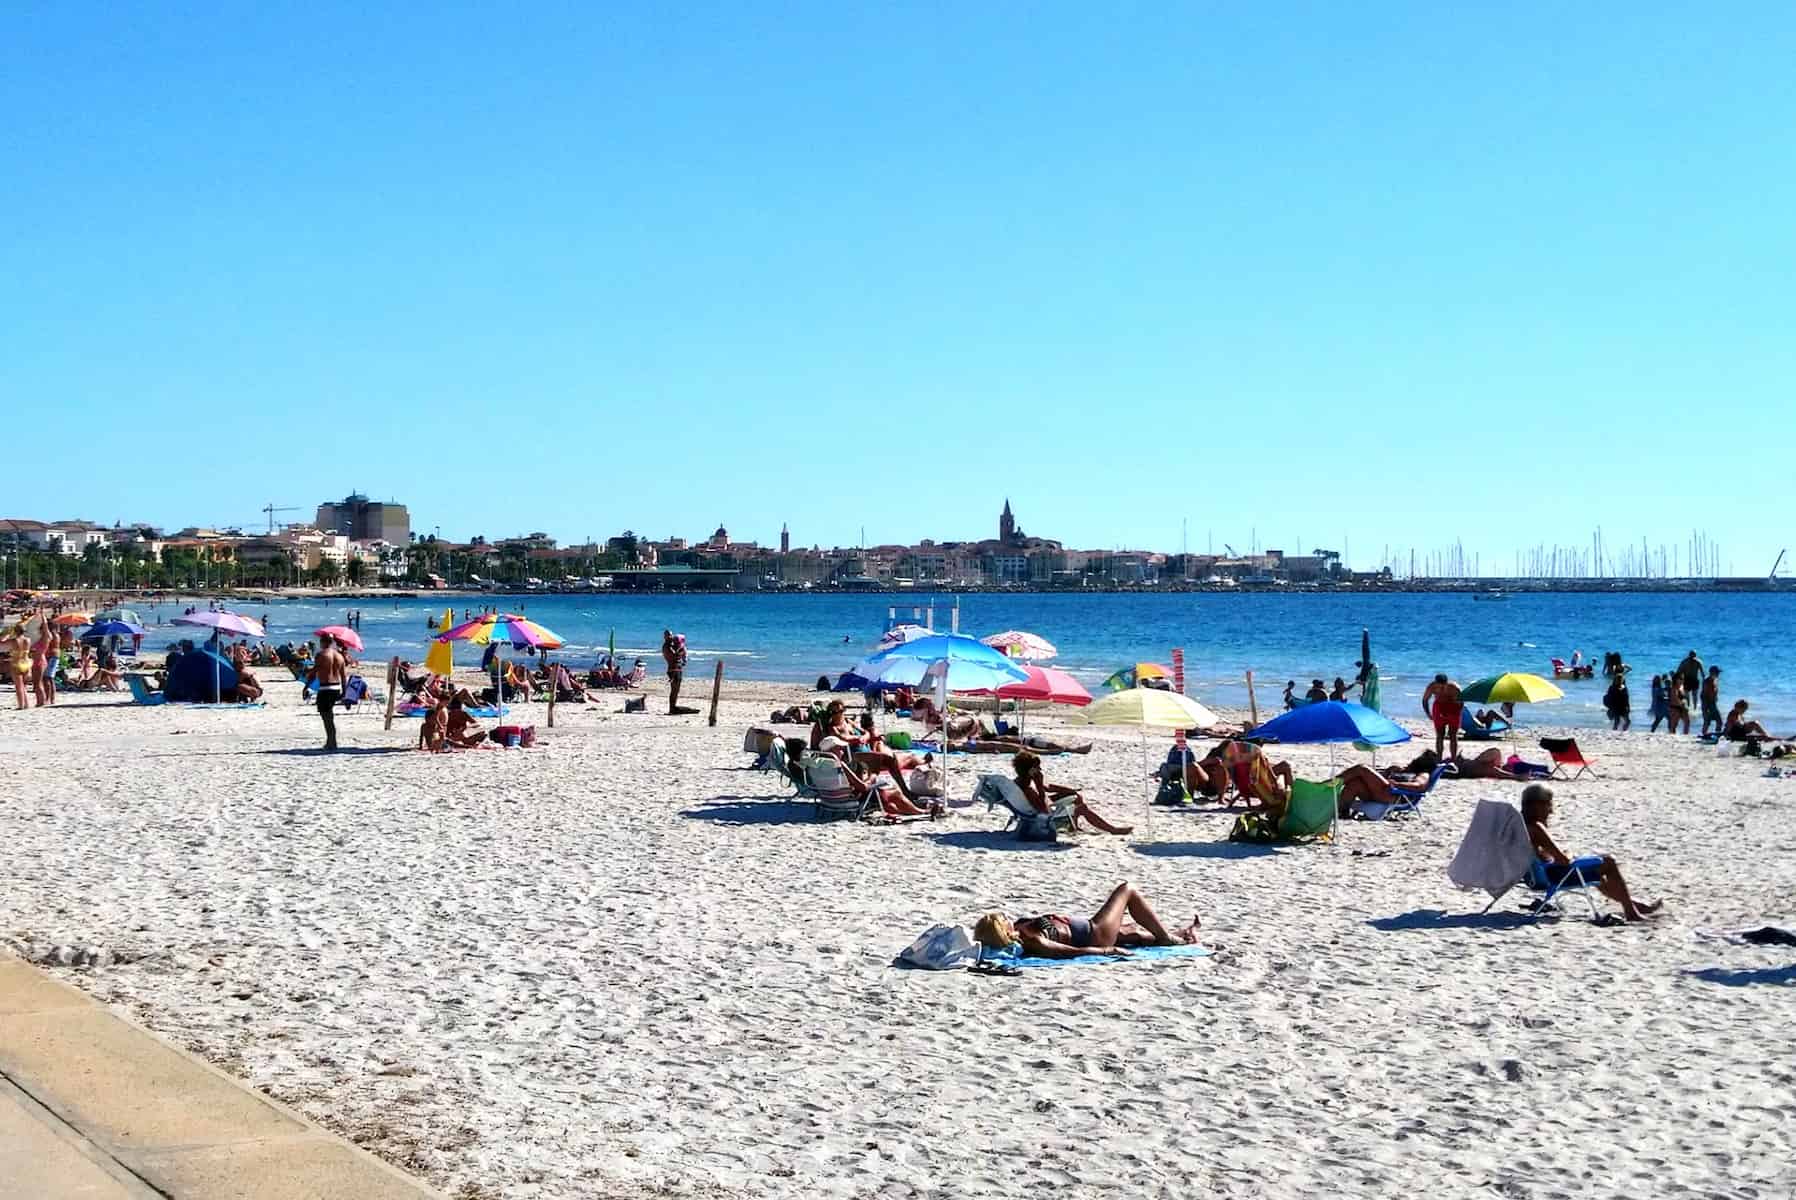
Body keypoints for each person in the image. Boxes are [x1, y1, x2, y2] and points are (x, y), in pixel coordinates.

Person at [1522, 784, 1663, 922]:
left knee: (1596, 872)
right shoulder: (1536, 828)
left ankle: (1636, 906)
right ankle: (1631, 912)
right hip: (1553, 877)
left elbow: (1540, 854)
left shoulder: (1519, 825)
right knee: (1608, 862)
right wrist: (1569, 855)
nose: (1551, 811)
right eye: (1549, 804)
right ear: (1537, 805)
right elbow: (1564, 860)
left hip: (1534, 878)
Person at [971, 883, 1201, 960]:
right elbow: (1071, 951)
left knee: (1135, 933)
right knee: (1127, 890)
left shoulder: (1023, 931)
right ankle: (1168, 938)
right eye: (1002, 918)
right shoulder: (1032, 942)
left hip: (1091, 929)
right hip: (1096, 934)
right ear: (1002, 928)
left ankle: (1182, 935)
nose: (1005, 915)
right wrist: (1108, 950)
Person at [1012, 750, 1131, 836]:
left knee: (1076, 797)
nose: (1040, 770)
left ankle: (1073, 826)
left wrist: (1070, 791)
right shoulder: (1028, 790)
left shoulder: (1022, 781)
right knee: (1082, 808)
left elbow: (1048, 787)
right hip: (1046, 822)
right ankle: (1113, 830)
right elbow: (1044, 811)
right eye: (1038, 767)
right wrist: (1039, 787)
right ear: (1031, 770)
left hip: (1041, 812)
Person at [310, 633, 347, 751]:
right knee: (329, 716)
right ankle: (331, 741)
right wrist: (344, 692)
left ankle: (331, 741)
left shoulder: (321, 654)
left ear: (324, 642)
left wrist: (306, 686)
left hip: (325, 688)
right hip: (337, 687)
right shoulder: (340, 656)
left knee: (326, 717)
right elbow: (344, 676)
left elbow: (314, 672)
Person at [1421, 673, 1463, 758]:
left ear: (1447, 682)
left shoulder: (1455, 688)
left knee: (1453, 735)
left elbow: (1461, 703)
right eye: (1439, 686)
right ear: (1435, 683)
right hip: (1439, 707)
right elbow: (1425, 700)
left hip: (1453, 708)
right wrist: (1428, 714)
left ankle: (1453, 758)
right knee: (1440, 735)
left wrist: (1455, 713)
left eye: (1443, 686)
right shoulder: (1431, 687)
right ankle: (1439, 758)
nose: (1441, 689)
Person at [662, 629, 687, 714]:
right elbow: (674, 656)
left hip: (677, 669)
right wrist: (680, 648)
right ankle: (672, 708)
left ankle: (673, 707)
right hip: (673, 670)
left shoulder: (671, 645)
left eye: (671, 635)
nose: (671, 637)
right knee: (674, 690)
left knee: (676, 690)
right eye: (669, 635)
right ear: (665, 637)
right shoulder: (667, 647)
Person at [8, 623, 30, 711]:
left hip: (16, 662)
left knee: (18, 686)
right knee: (24, 685)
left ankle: (21, 705)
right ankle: (26, 704)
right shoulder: (28, 640)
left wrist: (8, 634)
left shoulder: (14, 641)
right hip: (26, 662)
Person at [1699, 666, 1724, 738]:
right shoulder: (1707, 681)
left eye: (1718, 672)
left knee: (1716, 721)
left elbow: (1714, 692)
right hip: (1708, 704)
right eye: (1717, 672)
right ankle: (1706, 735)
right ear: (1712, 672)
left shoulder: (1714, 680)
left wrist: (1715, 698)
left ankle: (1715, 735)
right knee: (1709, 721)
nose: (1718, 674)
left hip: (1712, 704)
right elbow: (1704, 695)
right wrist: (1707, 707)